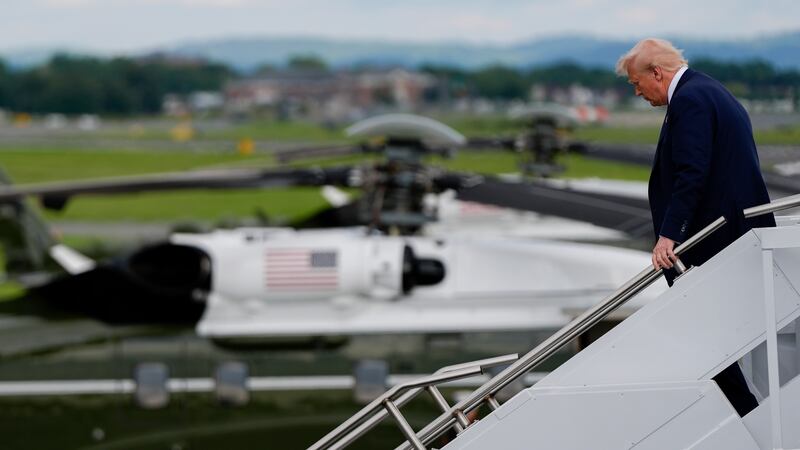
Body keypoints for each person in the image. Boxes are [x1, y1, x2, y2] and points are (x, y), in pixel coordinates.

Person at [615, 38, 775, 417]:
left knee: (704, 336)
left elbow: (692, 172)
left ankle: (745, 414)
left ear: (657, 72)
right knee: (712, 338)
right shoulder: (708, 89)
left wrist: (671, 234)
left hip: (712, 245)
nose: (637, 92)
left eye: (637, 83)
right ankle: (744, 411)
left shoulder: (691, 99)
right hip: (729, 236)